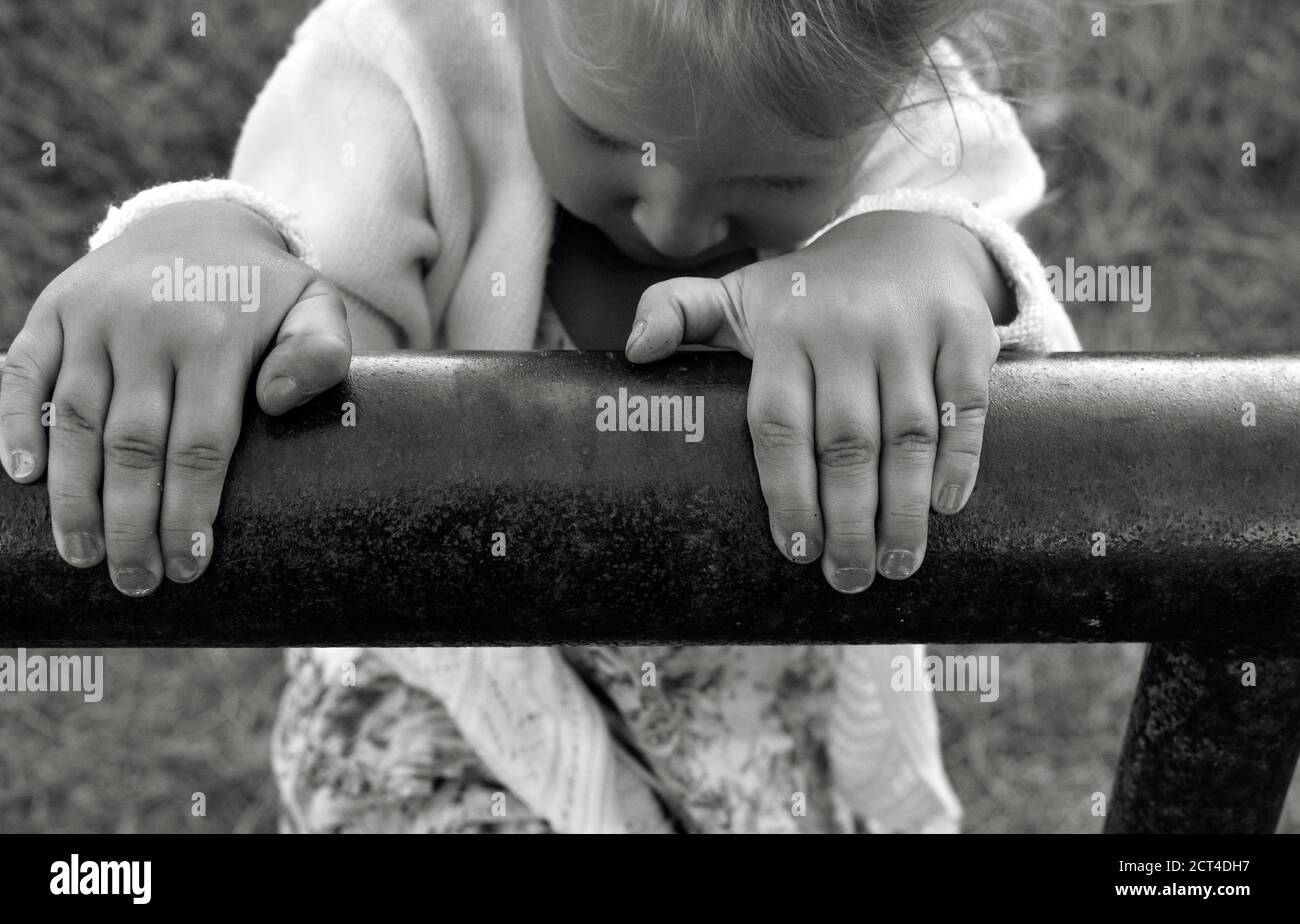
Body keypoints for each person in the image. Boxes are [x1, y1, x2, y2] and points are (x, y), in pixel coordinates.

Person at [0, 0, 1080, 832]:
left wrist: (918, 254)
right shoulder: (422, 56)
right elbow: (299, 261)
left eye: (772, 177)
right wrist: (205, 248)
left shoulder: (885, 93)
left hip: (772, 741)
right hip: (450, 728)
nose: (673, 217)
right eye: (607, 140)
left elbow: (1014, 320)